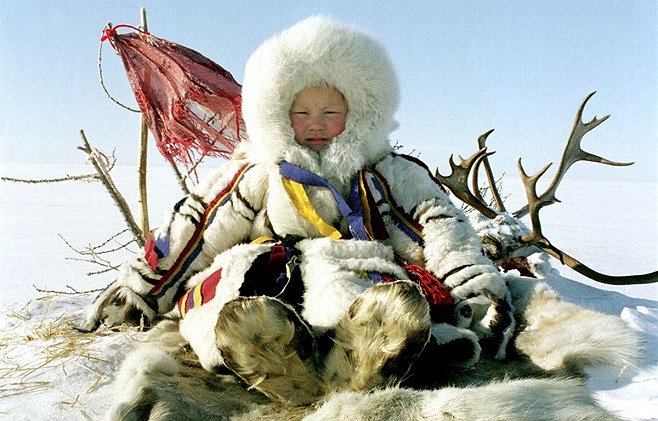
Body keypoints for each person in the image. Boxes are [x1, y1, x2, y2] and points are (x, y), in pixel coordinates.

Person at [82, 16, 515, 405]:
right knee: (235, 295)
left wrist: (474, 291)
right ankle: (267, 348)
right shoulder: (258, 171)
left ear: (359, 112)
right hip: (272, 271)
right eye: (302, 112)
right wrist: (143, 289)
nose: (316, 124)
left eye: (331, 112)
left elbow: (439, 225)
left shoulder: (388, 172)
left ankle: (365, 351)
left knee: (379, 299)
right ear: (277, 114)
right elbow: (198, 224)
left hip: (359, 269)